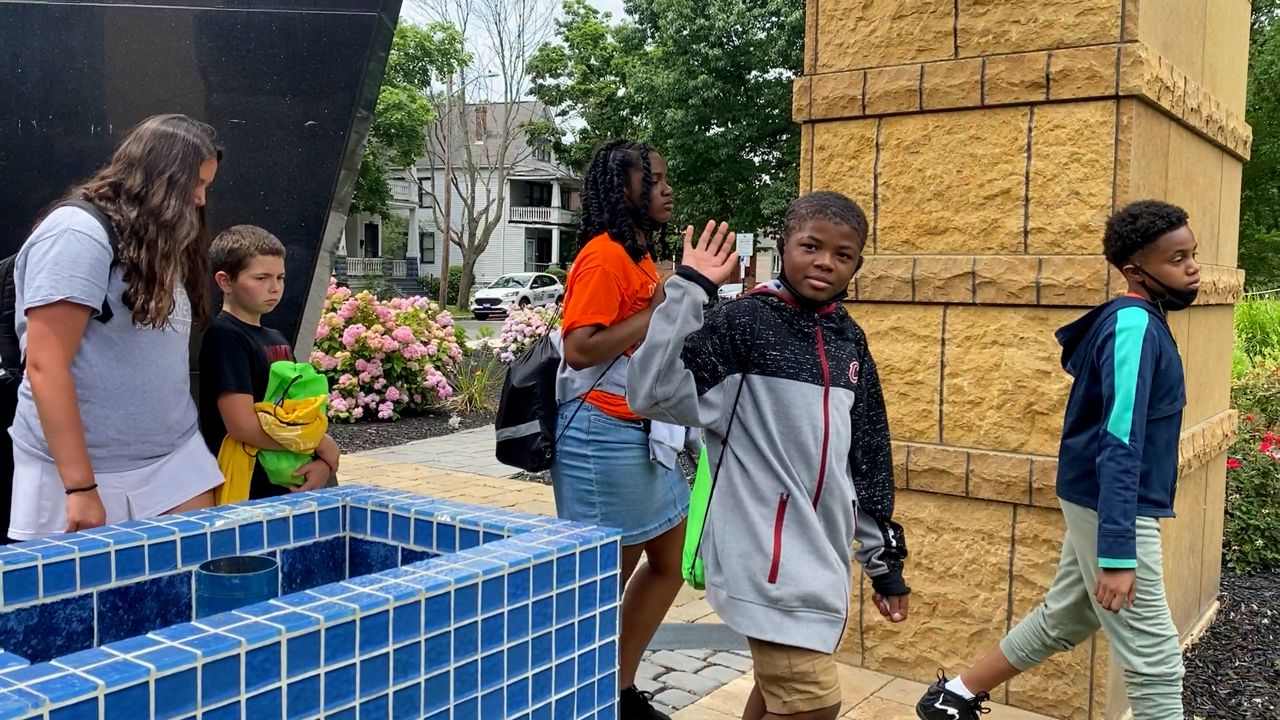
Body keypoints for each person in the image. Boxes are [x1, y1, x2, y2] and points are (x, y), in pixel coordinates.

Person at [628, 191, 911, 720]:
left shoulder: (849, 339)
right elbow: (652, 394)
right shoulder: (744, 323)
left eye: (843, 254)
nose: (825, 262)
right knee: (812, 704)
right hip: (764, 557)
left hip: (821, 560)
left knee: (778, 695)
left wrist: (884, 562)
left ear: (857, 266)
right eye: (811, 246)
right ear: (783, 246)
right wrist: (689, 289)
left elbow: (868, 452)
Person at [915, 200, 1197, 720]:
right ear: (1135, 271)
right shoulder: (1133, 326)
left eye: (1192, 255)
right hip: (1116, 507)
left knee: (1067, 617)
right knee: (1155, 661)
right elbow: (1120, 439)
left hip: (1102, 500)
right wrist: (1117, 554)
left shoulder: (1141, 321)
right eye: (1177, 259)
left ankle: (951, 698)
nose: (1193, 268)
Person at [10, 114, 224, 539]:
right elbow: (44, 365)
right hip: (82, 472)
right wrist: (80, 487)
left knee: (195, 575)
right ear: (161, 178)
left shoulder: (155, 238)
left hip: (174, 460)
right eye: (195, 184)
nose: (200, 199)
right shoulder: (77, 232)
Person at [552, 139, 690, 719]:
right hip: (600, 436)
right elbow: (580, 349)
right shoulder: (605, 256)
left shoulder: (637, 255)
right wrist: (656, 311)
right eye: (652, 179)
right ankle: (583, 697)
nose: (666, 189)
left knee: (669, 560)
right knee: (601, 584)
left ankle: (618, 687)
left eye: (665, 178)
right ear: (621, 188)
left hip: (642, 432)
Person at [198, 225, 339, 498]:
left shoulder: (277, 338)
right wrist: (317, 444)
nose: (274, 287)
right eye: (261, 278)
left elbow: (301, 409)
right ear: (225, 281)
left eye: (280, 277)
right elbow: (242, 426)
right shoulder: (225, 336)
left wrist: (321, 464)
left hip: (290, 481)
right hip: (248, 487)